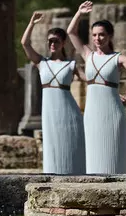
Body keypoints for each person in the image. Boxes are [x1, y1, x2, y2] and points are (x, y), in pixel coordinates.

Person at [67, 1, 126, 174]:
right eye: (94, 35)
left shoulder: (118, 58)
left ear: (110, 36)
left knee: (115, 152)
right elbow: (71, 32)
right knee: (94, 153)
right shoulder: (87, 55)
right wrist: (79, 13)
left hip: (112, 112)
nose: (97, 39)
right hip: (92, 113)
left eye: (101, 35)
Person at [21, 12, 86, 174]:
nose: (52, 44)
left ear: (63, 43)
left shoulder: (72, 64)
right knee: (52, 146)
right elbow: (25, 43)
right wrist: (31, 23)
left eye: (55, 41)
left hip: (69, 111)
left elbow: (90, 81)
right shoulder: (42, 62)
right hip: (50, 112)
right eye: (49, 41)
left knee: (71, 145)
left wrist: (113, 92)